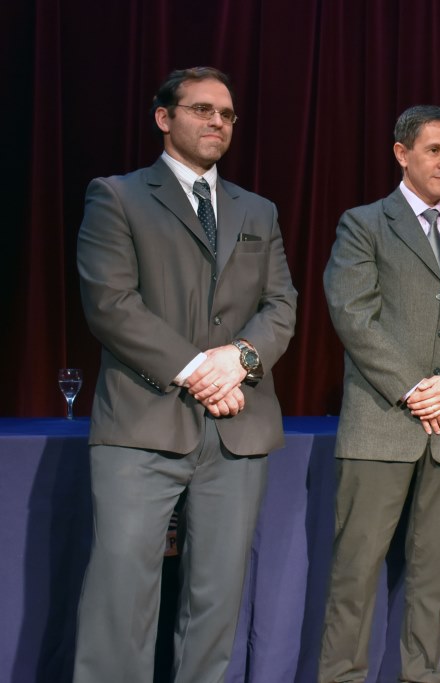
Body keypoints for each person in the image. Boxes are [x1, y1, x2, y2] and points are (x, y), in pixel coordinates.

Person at [74, 66, 298, 682]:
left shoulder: (259, 209)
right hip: (142, 422)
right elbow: (111, 305)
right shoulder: (116, 196)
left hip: (238, 430)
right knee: (121, 597)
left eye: (226, 115)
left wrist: (242, 358)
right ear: (164, 117)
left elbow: (281, 305)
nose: (217, 123)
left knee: (216, 602)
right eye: (202, 110)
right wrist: (202, 368)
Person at [319, 105, 440, 683]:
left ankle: (423, 676)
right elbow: (352, 314)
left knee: (433, 576)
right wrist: (413, 388)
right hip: (381, 423)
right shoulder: (364, 223)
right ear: (402, 154)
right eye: (434, 150)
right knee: (355, 573)